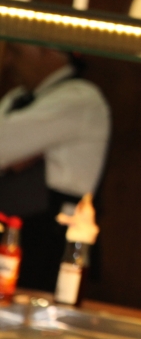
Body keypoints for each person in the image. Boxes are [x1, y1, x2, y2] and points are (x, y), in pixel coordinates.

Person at [0, 42, 110, 291]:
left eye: (16, 52)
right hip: (14, 229)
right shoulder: (16, 98)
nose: (8, 61)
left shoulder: (80, 97)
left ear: (48, 52)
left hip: (48, 239)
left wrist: (15, 159)